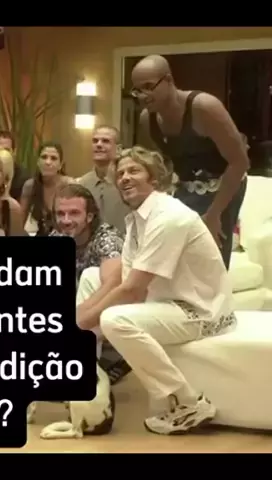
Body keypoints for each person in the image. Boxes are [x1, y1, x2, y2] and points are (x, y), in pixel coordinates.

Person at [77, 146, 236, 435]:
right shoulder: (137, 220)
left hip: (201, 312)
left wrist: (81, 323)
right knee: (91, 276)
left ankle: (188, 402)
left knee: (115, 319)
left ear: (154, 179)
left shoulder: (168, 217)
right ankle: (83, 371)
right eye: (120, 173)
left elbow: (133, 290)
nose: (125, 178)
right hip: (167, 301)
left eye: (134, 171)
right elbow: (122, 278)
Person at [131, 54, 249, 268]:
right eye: (137, 90)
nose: (143, 95)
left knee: (210, 254)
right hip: (185, 186)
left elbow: (240, 162)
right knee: (176, 254)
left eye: (149, 86)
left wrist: (214, 214)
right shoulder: (147, 119)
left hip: (225, 184)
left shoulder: (204, 108)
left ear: (168, 80)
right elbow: (156, 165)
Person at [49, 183, 128, 383]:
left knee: (91, 275)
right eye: (60, 214)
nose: (66, 220)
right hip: (82, 312)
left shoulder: (106, 238)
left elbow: (113, 285)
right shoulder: (58, 236)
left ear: (90, 216)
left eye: (74, 213)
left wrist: (77, 318)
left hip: (114, 307)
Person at [78, 125, 130, 235]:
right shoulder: (82, 184)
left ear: (118, 149)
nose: (99, 144)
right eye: (95, 141)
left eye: (105, 141)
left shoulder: (126, 182)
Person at [19, 141, 74, 236]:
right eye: (44, 157)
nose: (48, 162)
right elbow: (20, 223)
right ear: (38, 162)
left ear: (60, 165)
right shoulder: (30, 186)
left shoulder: (69, 185)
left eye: (53, 158)